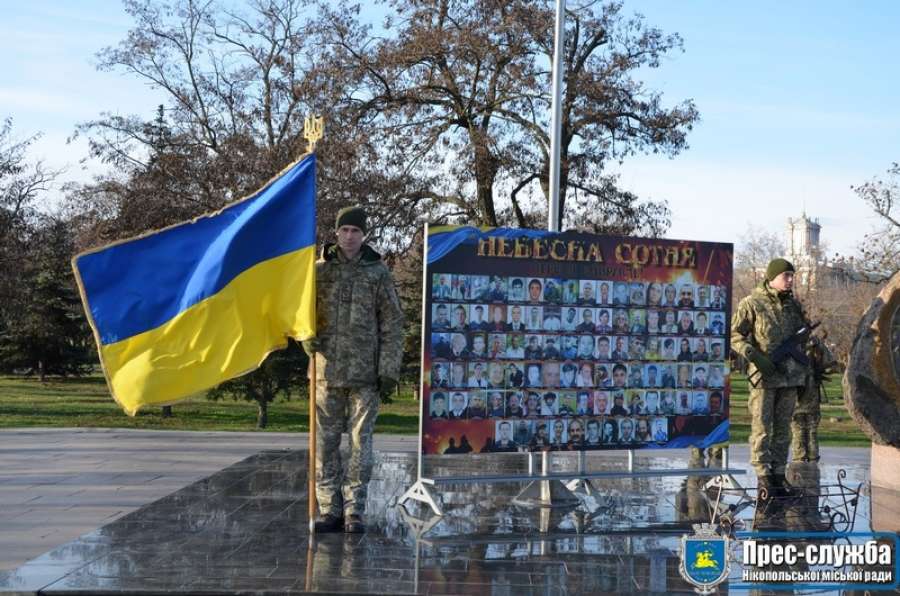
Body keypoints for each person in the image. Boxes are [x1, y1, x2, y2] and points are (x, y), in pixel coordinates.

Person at [305, 206, 404, 534]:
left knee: (361, 444)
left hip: (365, 375)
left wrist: (388, 369)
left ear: (364, 235)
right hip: (325, 371)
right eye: (344, 230)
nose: (349, 236)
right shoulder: (318, 271)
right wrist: (304, 338)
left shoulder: (377, 272)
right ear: (336, 233)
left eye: (355, 231)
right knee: (325, 444)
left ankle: (353, 510)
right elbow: (299, 313)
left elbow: (392, 321)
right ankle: (329, 509)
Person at [731, 258, 810, 503]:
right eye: (786, 275)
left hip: (789, 377)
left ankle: (778, 475)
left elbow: (801, 337)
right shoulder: (752, 304)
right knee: (762, 429)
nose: (790, 280)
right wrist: (752, 354)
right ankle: (764, 477)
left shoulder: (793, 306)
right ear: (772, 277)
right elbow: (734, 335)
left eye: (792, 276)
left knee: (783, 430)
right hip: (765, 377)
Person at [792, 334, 836, 463]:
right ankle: (810, 460)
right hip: (808, 395)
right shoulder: (815, 343)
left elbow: (831, 366)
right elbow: (831, 365)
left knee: (799, 429)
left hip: (798, 394)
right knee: (810, 430)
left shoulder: (793, 340)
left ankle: (800, 460)